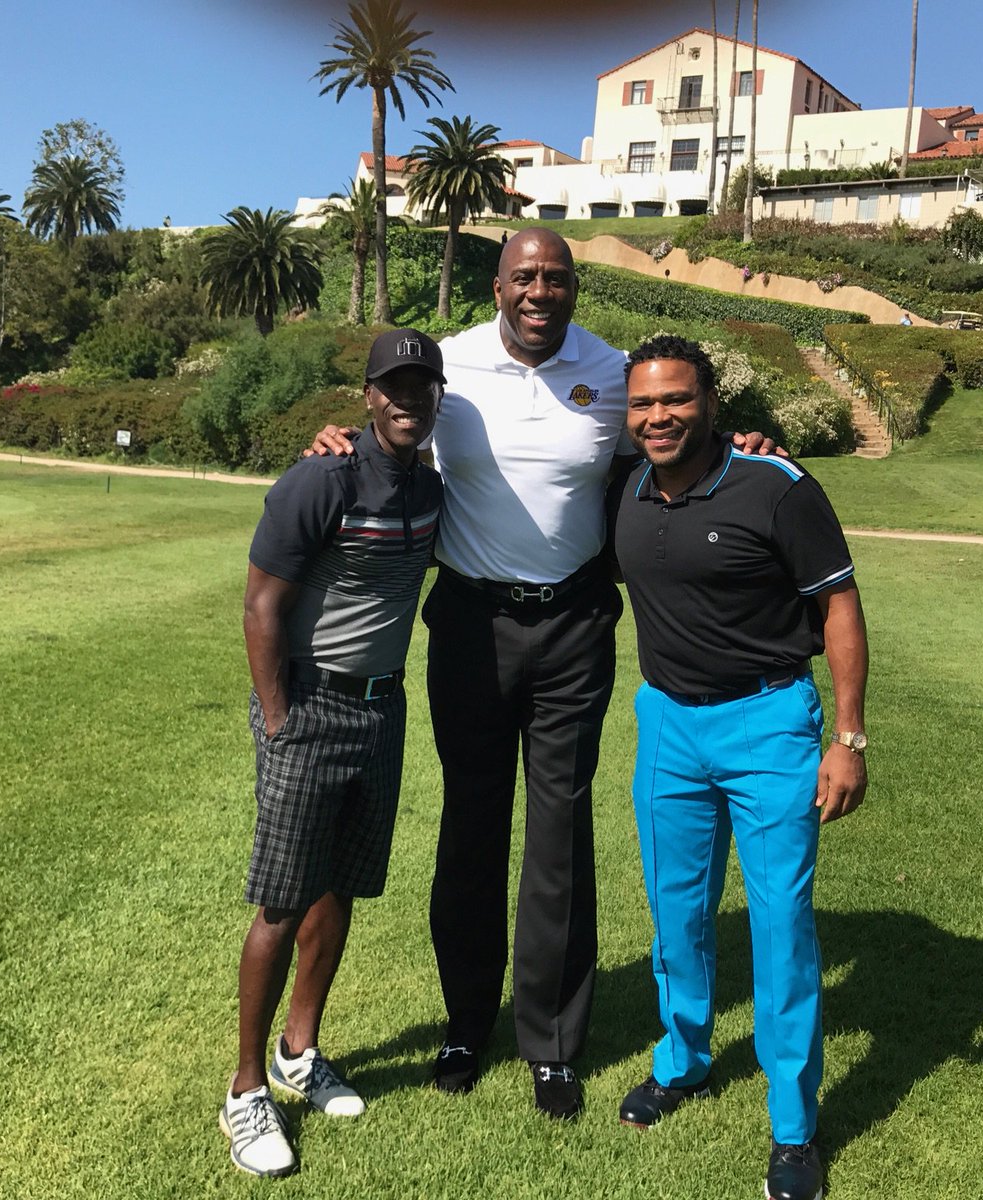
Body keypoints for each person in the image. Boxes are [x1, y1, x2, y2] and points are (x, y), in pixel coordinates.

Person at [309, 229, 777, 1120]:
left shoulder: (610, 371)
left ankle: (554, 1043)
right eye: (524, 276)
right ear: (497, 286)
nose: (539, 291)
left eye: (554, 278)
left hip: (572, 622)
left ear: (573, 288)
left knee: (559, 831)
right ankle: (464, 1021)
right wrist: (335, 436)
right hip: (470, 624)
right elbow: (392, 428)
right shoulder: (450, 368)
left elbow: (667, 444)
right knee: (472, 822)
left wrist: (737, 439)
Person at [609, 334, 868, 1200]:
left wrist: (849, 737)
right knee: (676, 911)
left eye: (675, 400)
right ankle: (682, 1060)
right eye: (643, 404)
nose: (658, 418)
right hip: (668, 726)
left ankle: (794, 1129)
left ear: (712, 401)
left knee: (780, 925)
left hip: (768, 725)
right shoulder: (628, 483)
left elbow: (838, 604)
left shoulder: (775, 485)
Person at [221, 329, 445, 1177]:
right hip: (307, 707)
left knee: (339, 888)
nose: (406, 399)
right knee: (281, 903)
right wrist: (279, 719)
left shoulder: (430, 488)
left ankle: (299, 1050)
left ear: (436, 399)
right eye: (392, 385)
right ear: (367, 394)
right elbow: (259, 607)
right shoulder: (322, 477)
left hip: (381, 711)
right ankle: (246, 1091)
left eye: (421, 387)